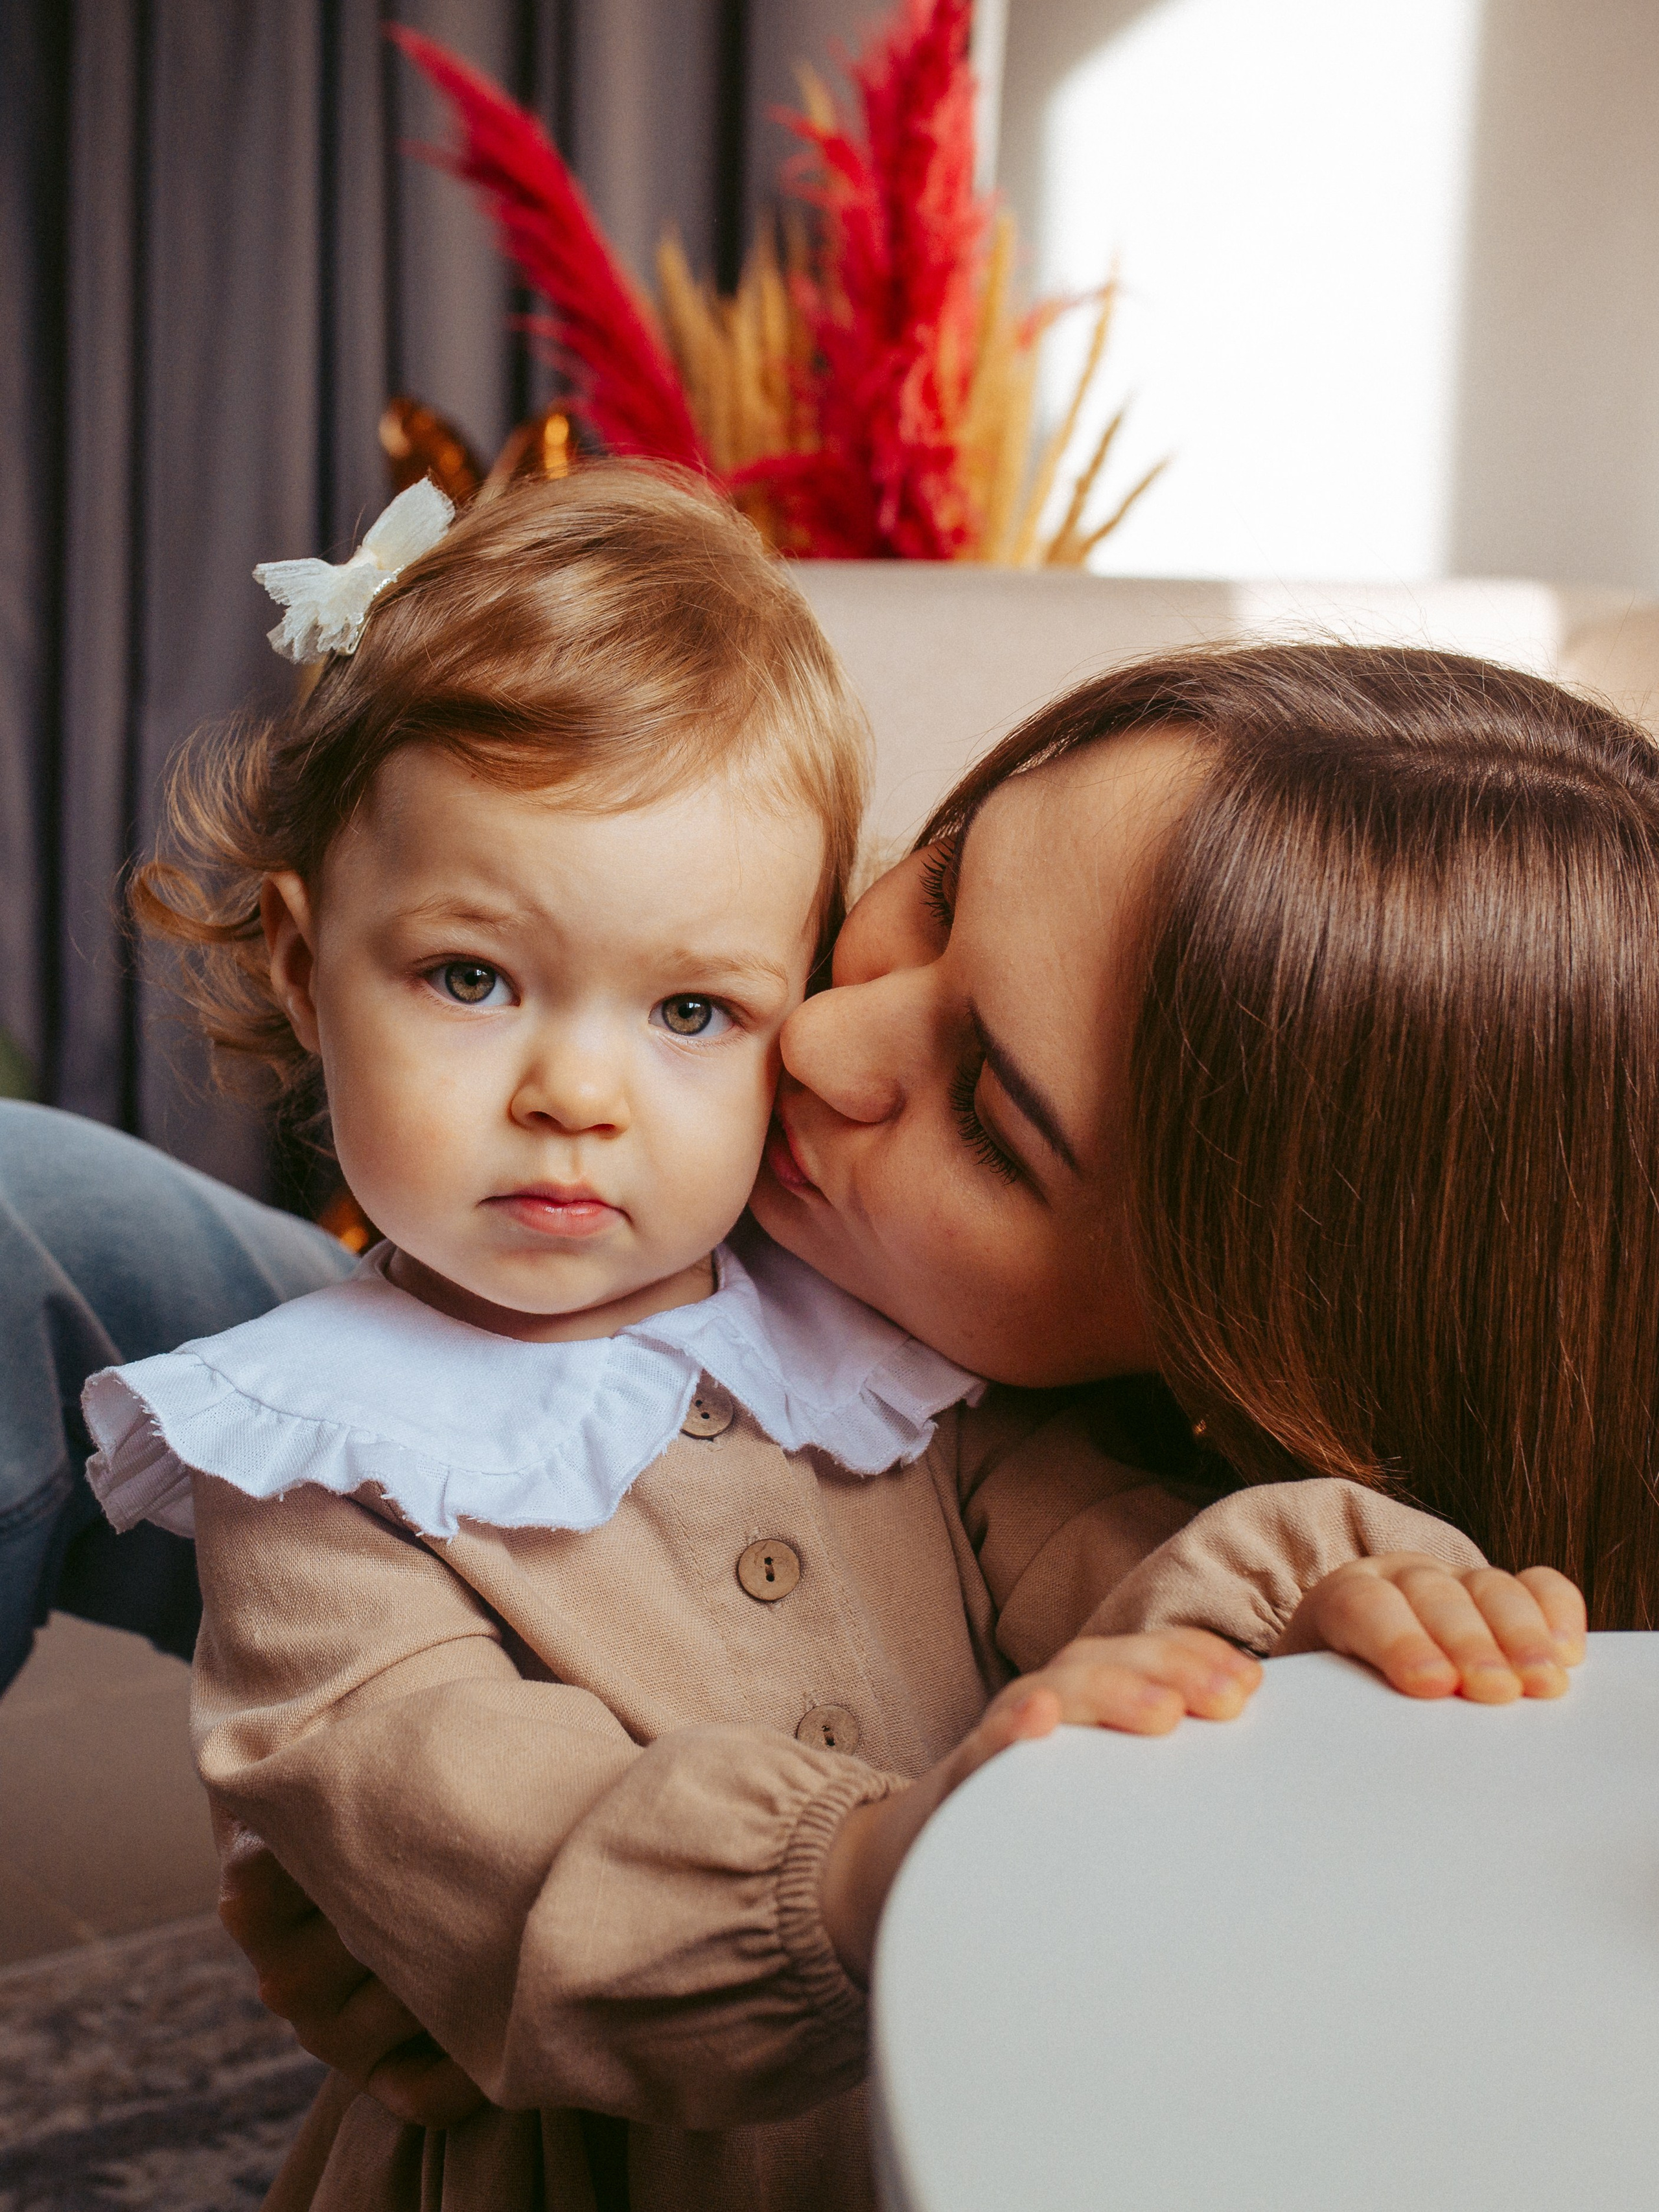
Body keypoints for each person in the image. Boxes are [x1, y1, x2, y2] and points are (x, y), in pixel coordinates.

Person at [67, 467, 1573, 2212]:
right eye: (471, 976)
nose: (573, 1093)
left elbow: (1123, 1562)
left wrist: (1336, 1590)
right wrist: (866, 1866)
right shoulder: (314, 1458)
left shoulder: (874, 1366)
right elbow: (466, 1823)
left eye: (697, 1010)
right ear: (300, 961)